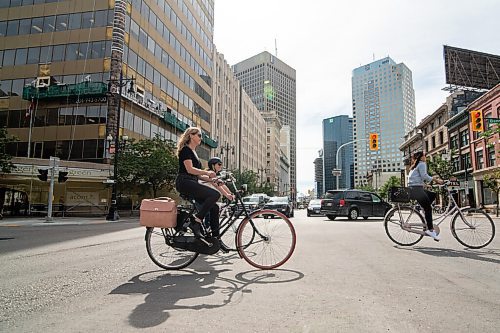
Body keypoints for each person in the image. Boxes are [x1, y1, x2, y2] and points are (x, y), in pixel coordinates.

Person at [175, 127, 220, 238]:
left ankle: (215, 239)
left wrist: (211, 179)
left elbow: (198, 175)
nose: (201, 138)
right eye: (199, 135)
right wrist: (208, 173)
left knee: (215, 208)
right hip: (184, 182)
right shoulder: (185, 150)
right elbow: (190, 169)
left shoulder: (194, 152)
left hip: (192, 182)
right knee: (215, 194)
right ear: (191, 135)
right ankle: (197, 221)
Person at [408, 151, 443, 241]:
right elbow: (424, 176)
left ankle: (424, 210)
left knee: (432, 195)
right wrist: (436, 180)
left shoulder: (414, 166)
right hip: (417, 190)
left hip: (413, 188)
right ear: (421, 157)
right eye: (425, 156)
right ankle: (430, 230)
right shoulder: (422, 164)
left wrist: (424, 185)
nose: (426, 157)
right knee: (428, 208)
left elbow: (415, 179)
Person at [198, 157, 235, 237]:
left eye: (221, 165)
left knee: (214, 211)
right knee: (209, 214)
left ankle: (213, 236)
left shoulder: (215, 175)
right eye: (219, 164)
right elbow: (216, 185)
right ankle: (208, 234)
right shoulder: (209, 172)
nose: (220, 166)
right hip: (202, 197)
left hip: (207, 197)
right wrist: (227, 195)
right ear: (213, 165)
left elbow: (223, 186)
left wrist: (231, 194)